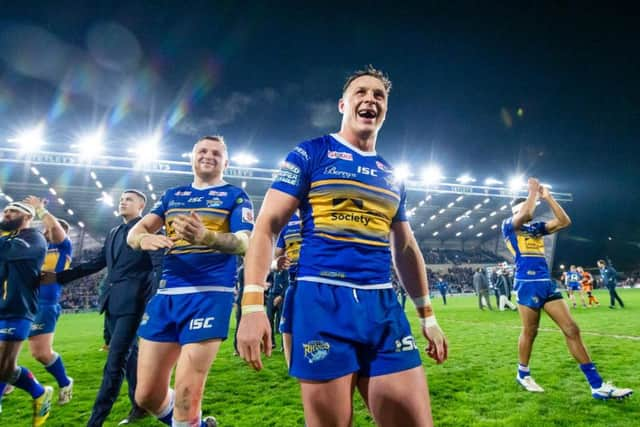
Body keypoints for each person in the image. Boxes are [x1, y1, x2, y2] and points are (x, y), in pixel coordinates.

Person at [237, 66, 448, 426]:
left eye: (379, 95)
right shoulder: (311, 153)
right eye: (361, 93)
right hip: (322, 303)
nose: (370, 99)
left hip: (382, 305)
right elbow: (268, 226)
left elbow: (406, 248)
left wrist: (428, 315)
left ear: (385, 109)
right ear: (343, 104)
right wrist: (252, 304)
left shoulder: (391, 175)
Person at [128, 135, 254, 427]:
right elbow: (136, 231)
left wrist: (206, 237)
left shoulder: (235, 196)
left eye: (215, 153)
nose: (208, 156)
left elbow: (244, 243)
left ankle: (188, 421)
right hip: (167, 295)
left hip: (209, 296)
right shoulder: (173, 196)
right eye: (202, 151)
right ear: (192, 157)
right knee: (145, 396)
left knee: (187, 398)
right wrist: (144, 238)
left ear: (226, 162)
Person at [503, 177, 632, 399]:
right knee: (530, 332)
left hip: (546, 283)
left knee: (572, 329)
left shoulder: (536, 229)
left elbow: (564, 221)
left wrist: (548, 197)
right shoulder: (509, 225)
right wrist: (533, 190)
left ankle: (597, 385)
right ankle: (523, 373)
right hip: (527, 284)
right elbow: (525, 214)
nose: (532, 210)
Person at [41, 189, 154, 426]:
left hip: (134, 303)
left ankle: (95, 421)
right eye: (121, 199)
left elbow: (157, 266)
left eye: (129, 199)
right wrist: (59, 277)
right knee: (129, 356)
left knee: (115, 363)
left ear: (141, 206)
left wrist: (154, 300)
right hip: (112, 303)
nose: (123, 202)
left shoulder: (148, 229)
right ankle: (141, 406)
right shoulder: (114, 232)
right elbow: (97, 263)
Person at [0, 196, 74, 408]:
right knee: (6, 354)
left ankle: (64, 382)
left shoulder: (61, 247)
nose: (47, 230)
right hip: (19, 300)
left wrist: (40, 210)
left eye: (52, 228)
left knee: (40, 353)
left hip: (44, 303)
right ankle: (8, 381)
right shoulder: (25, 245)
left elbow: (54, 229)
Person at [0, 201, 53, 425]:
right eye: (5, 210)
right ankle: (38, 391)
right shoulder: (6, 240)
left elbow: (13, 252)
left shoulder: (34, 238)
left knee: (3, 367)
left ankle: (39, 392)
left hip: (17, 308)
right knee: (3, 367)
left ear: (27, 217)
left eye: (13, 210)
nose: (7, 213)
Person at [274, 211, 302, 362]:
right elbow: (277, 255)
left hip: (314, 280)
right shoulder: (288, 219)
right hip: (296, 281)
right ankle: (293, 367)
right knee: (287, 327)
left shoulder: (320, 209)